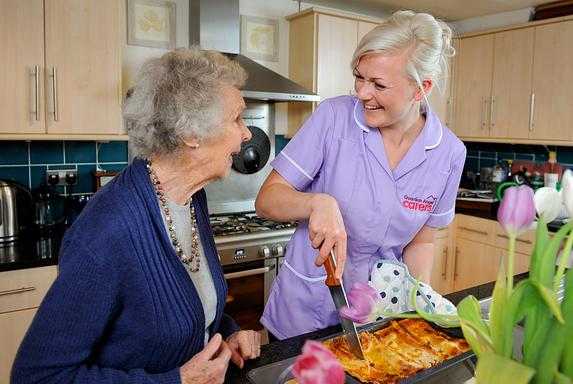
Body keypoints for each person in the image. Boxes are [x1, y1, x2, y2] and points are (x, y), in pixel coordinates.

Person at [11, 48, 260, 384]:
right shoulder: (106, 231)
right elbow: (38, 377)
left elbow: (183, 309)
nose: (247, 134)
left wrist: (226, 334)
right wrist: (176, 381)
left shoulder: (191, 197)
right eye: (236, 119)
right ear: (191, 134)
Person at [256, 10, 466, 340]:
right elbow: (267, 199)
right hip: (304, 313)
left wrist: (418, 310)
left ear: (421, 89)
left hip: (379, 319)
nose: (363, 93)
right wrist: (316, 203)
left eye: (378, 84)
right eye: (359, 77)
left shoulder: (449, 153)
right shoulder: (333, 118)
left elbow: (422, 241)